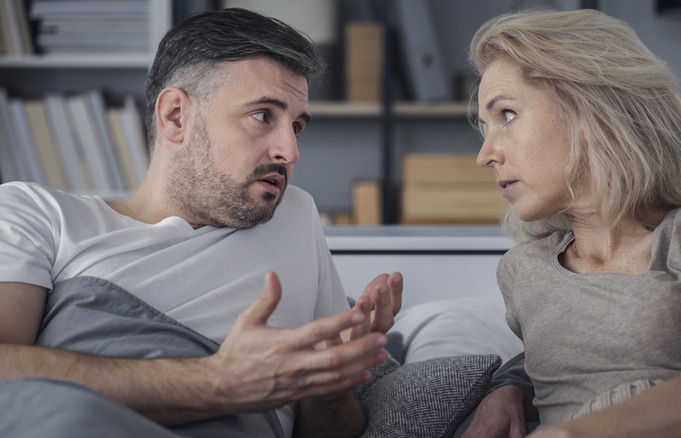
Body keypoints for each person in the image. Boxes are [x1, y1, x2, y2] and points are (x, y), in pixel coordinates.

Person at [0, 8, 402, 438]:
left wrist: (333, 385)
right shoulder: (38, 214)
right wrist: (219, 383)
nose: (290, 150)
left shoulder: (295, 217)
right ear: (176, 116)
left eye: (297, 126)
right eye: (264, 115)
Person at [459, 9, 681, 438]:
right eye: (485, 128)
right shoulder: (522, 272)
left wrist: (566, 434)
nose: (485, 154)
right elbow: (562, 354)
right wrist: (507, 389)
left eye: (508, 116)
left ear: (589, 106)